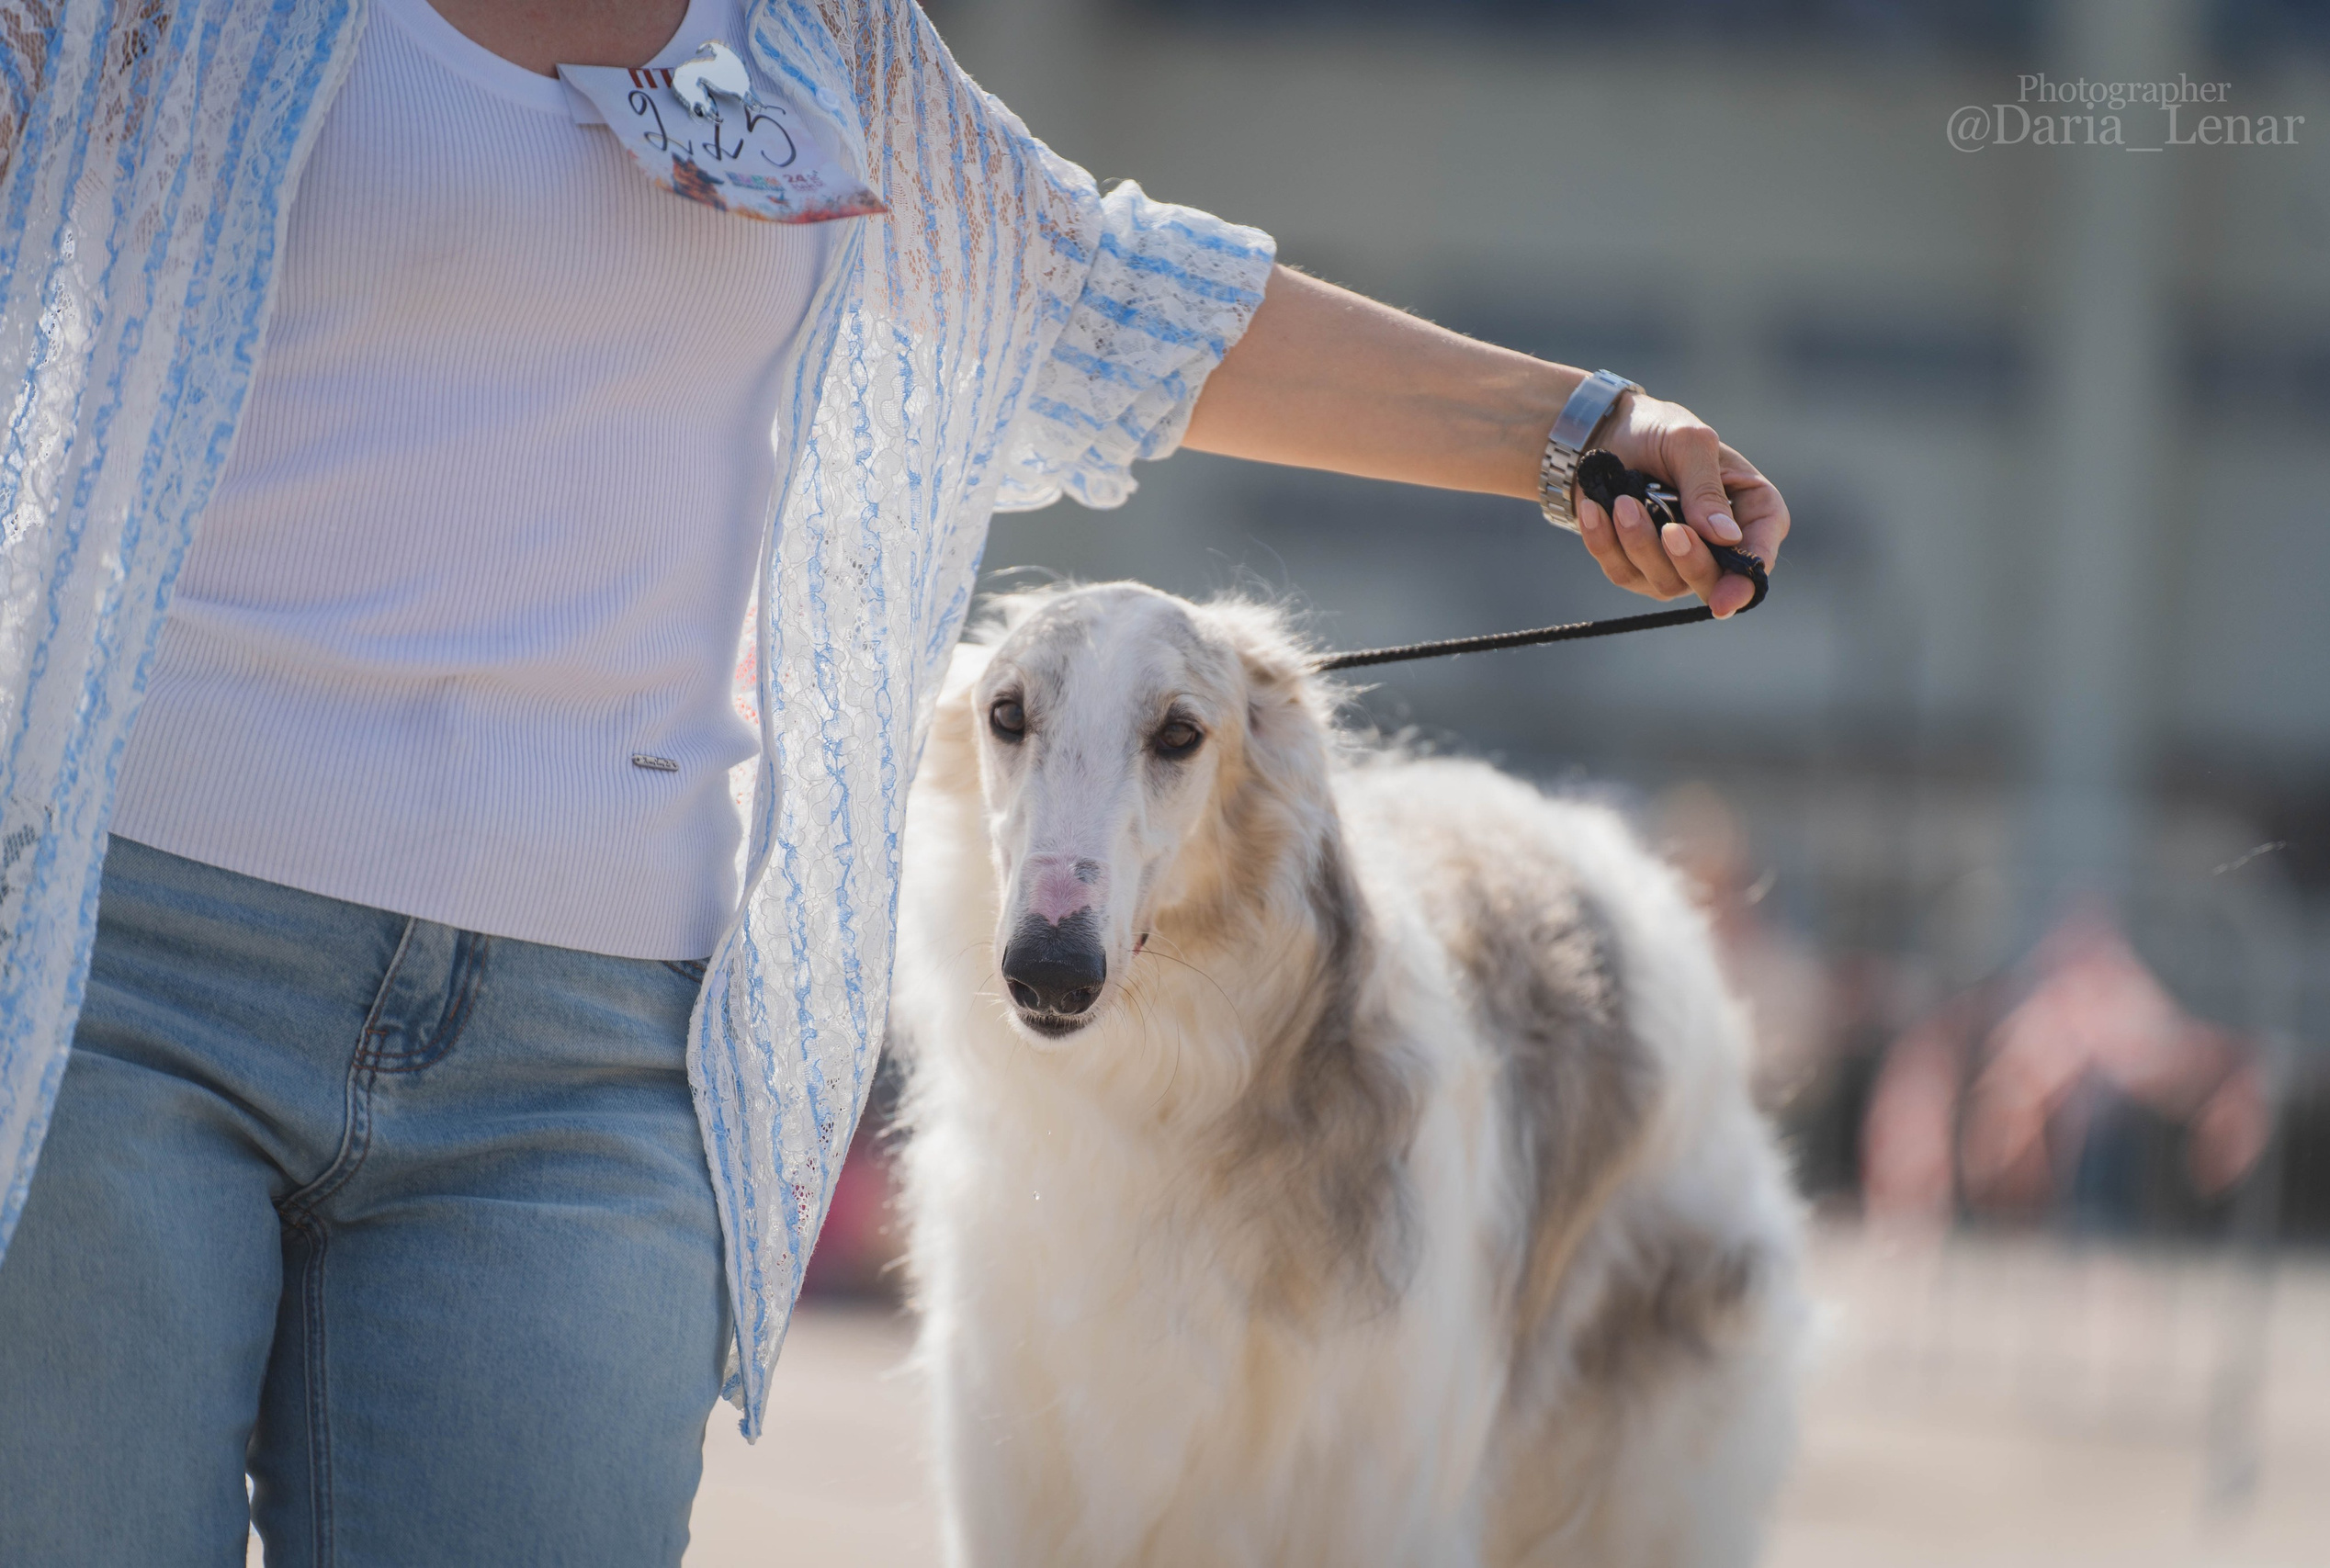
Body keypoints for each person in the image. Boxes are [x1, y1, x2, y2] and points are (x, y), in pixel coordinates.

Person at [0, 0, 1791, 1561]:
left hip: (588, 1061)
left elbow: (1098, 287)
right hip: (128, 980)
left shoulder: (817, 34)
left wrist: (1573, 435)